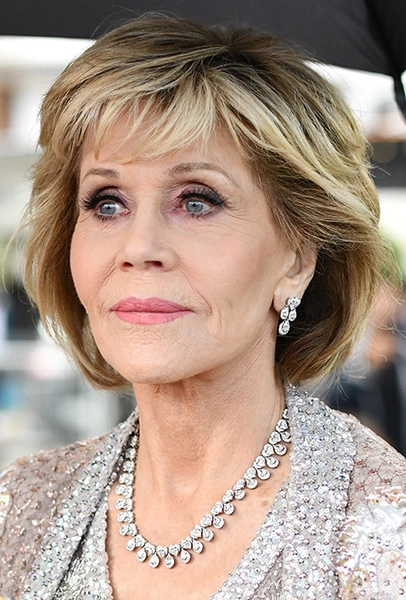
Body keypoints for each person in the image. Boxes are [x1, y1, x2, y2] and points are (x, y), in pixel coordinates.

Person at [1, 13, 405, 600]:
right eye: (107, 203)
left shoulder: (384, 531)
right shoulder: (24, 503)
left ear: (297, 259)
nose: (139, 248)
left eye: (197, 201)